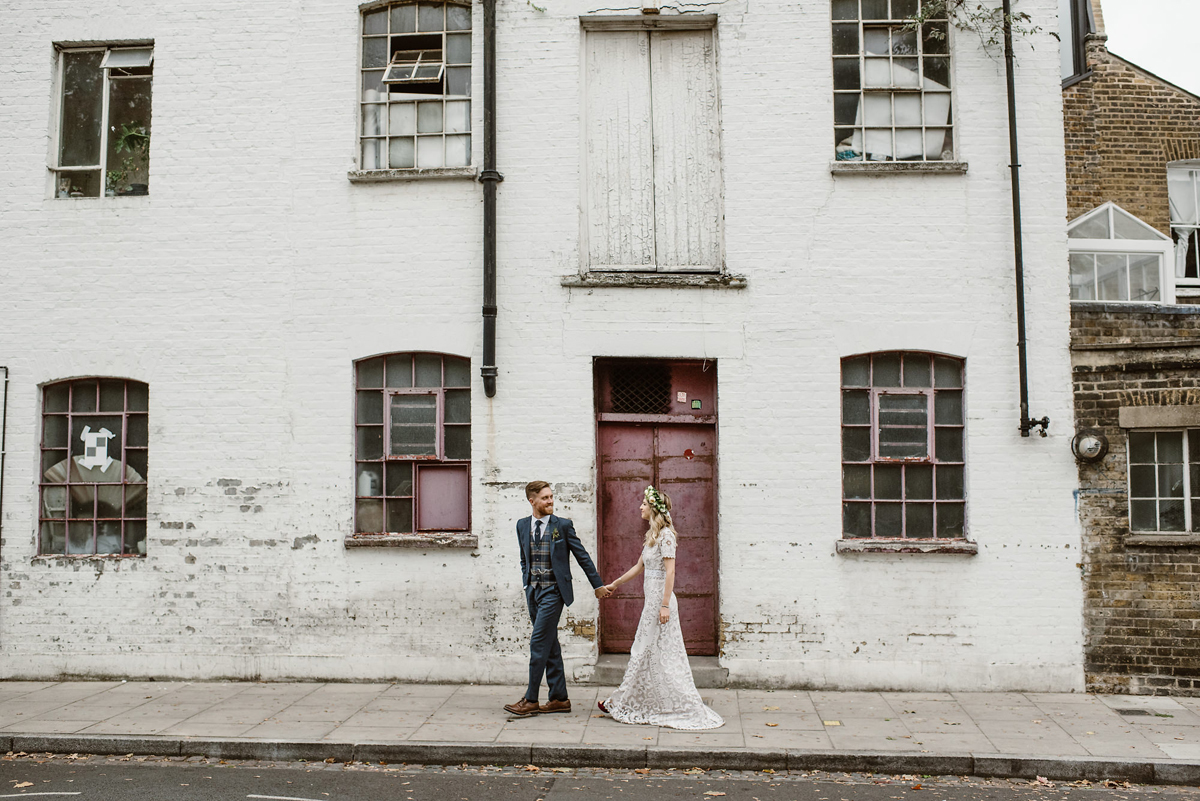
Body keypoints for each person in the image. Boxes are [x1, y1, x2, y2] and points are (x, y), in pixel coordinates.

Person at [597, 486, 723, 730]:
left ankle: (622, 700)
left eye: (644, 503)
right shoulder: (652, 536)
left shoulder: (667, 536)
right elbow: (638, 567)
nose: (640, 507)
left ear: (653, 508)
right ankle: (627, 700)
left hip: (660, 604)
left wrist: (665, 605)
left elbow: (671, 571)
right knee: (646, 652)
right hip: (651, 603)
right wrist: (615, 583)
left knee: (652, 652)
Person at [505, 481, 611, 718]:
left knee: (538, 643)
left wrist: (598, 585)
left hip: (554, 592)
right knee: (550, 645)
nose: (551, 501)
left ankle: (531, 699)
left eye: (552, 496)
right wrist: (526, 582)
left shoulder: (562, 526)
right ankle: (559, 698)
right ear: (532, 501)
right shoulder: (522, 525)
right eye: (545, 498)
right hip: (533, 591)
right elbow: (525, 557)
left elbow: (582, 556)